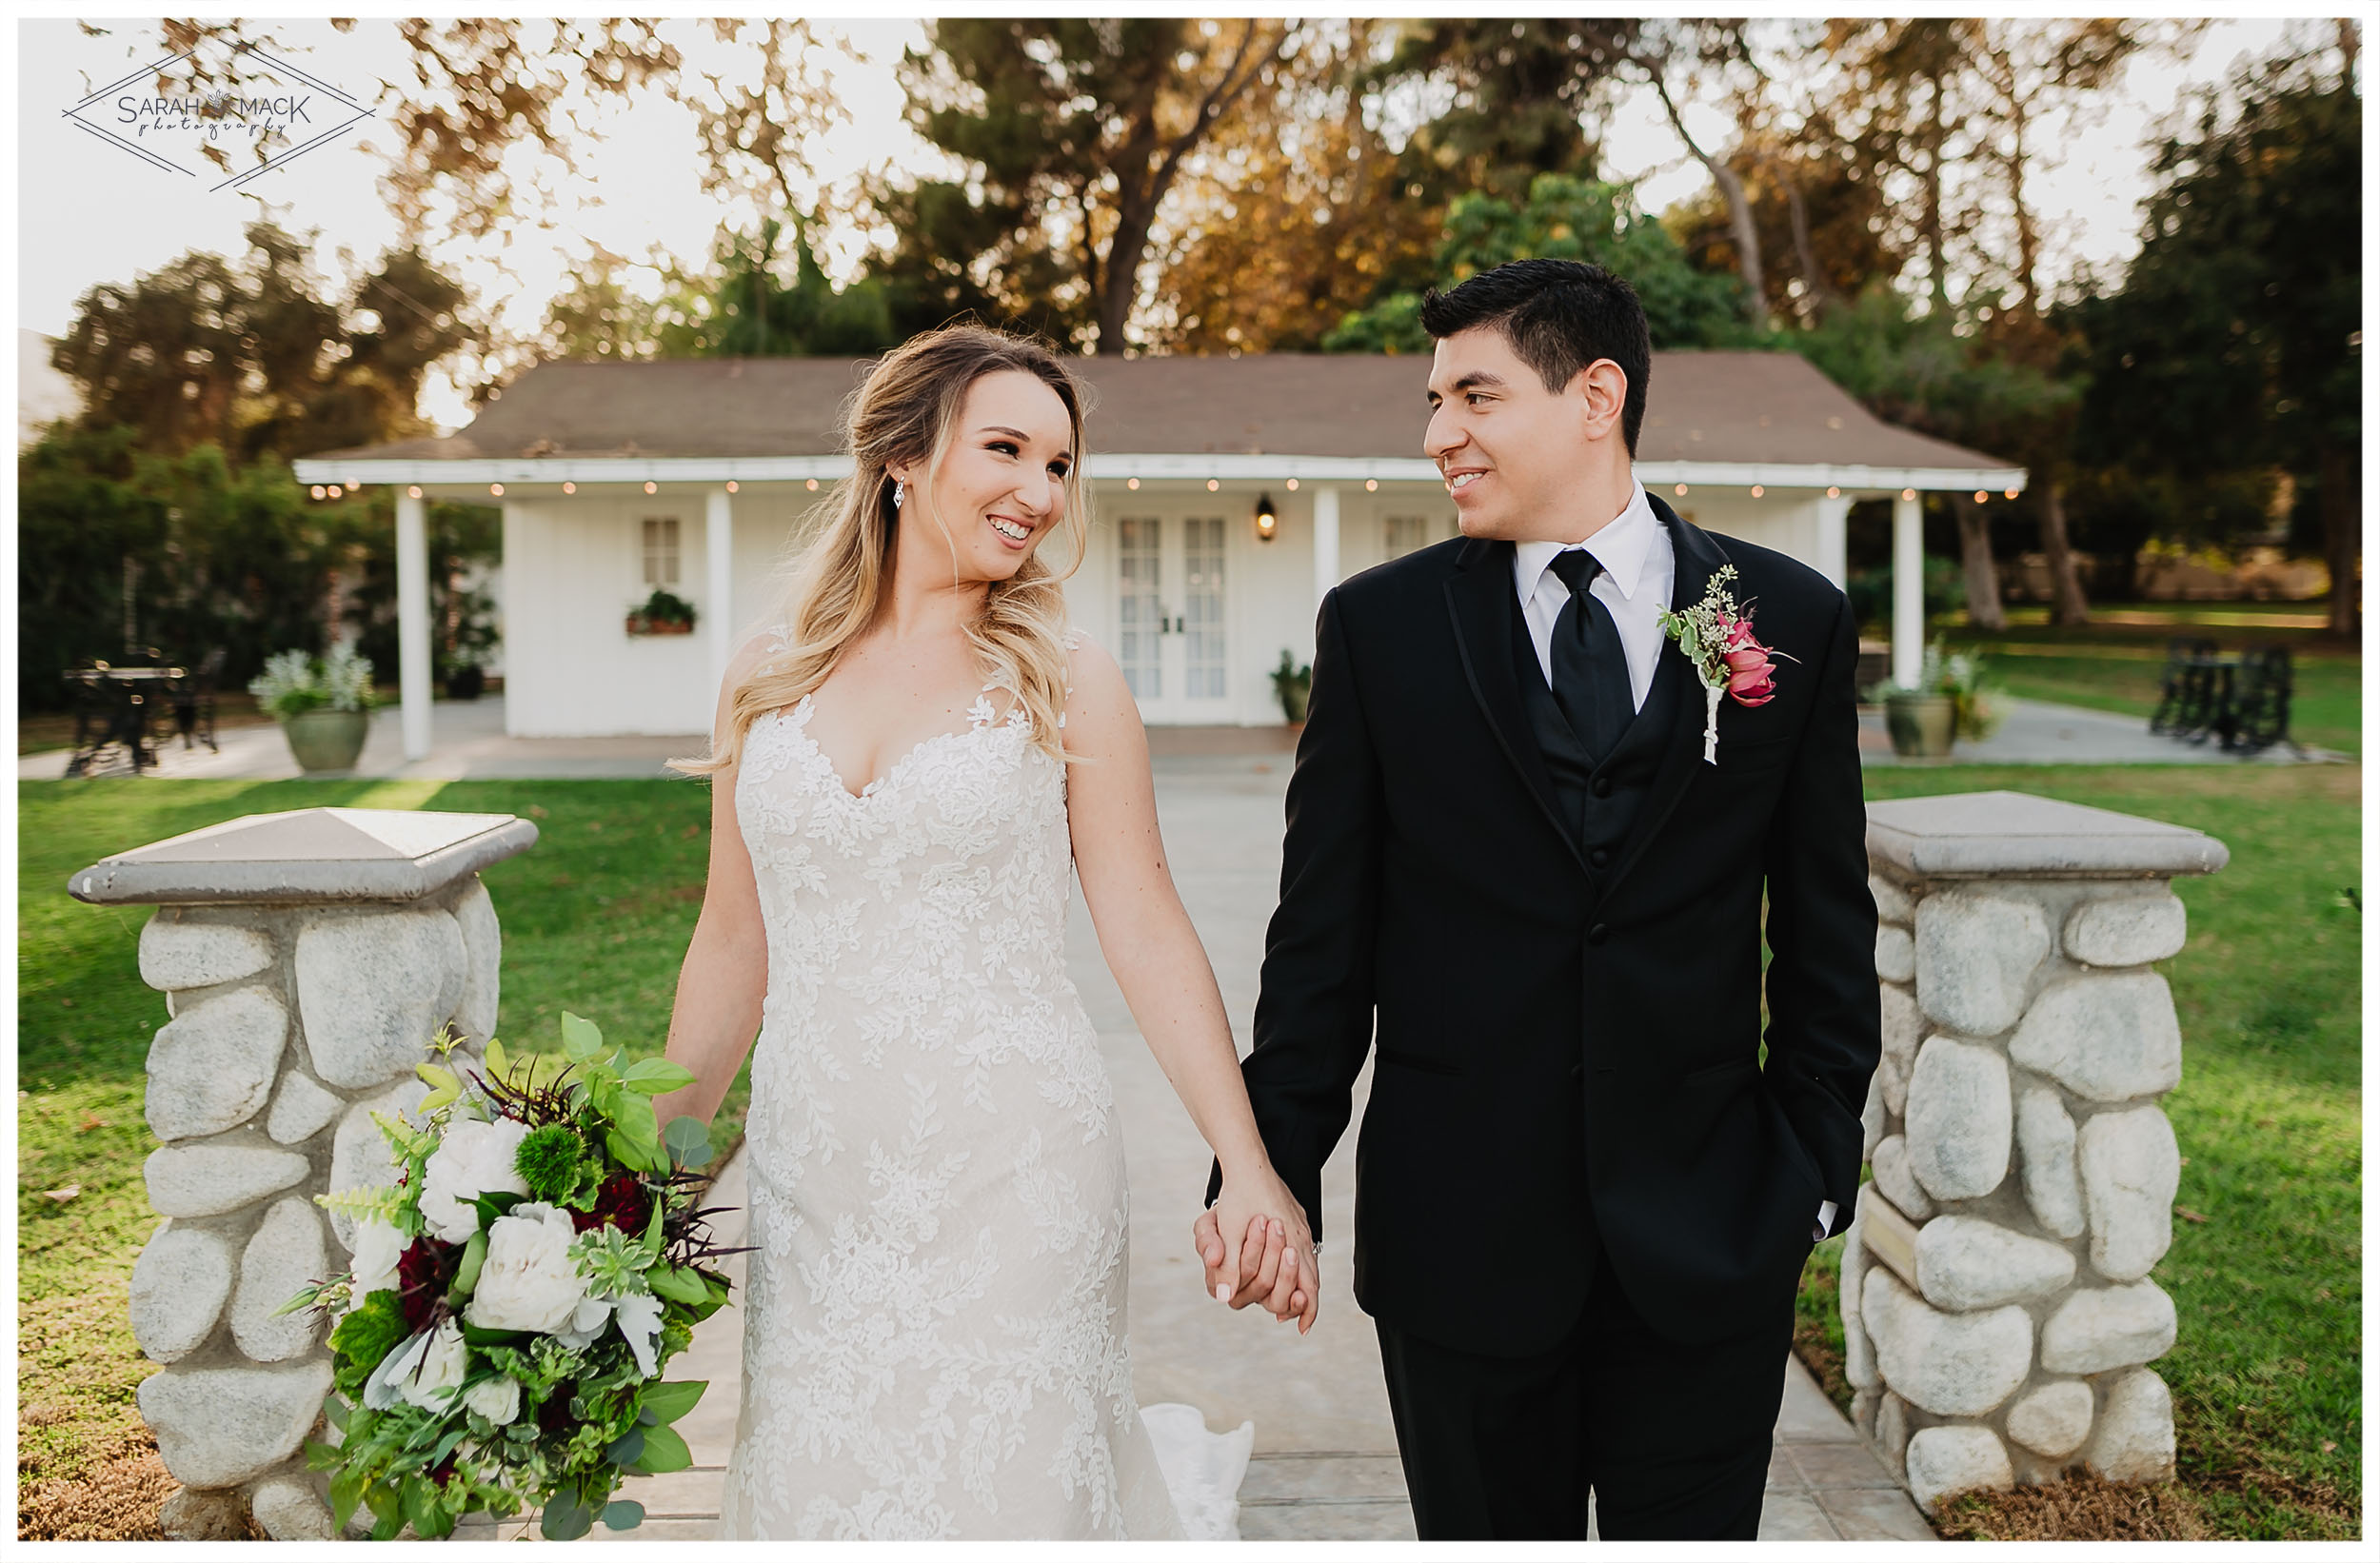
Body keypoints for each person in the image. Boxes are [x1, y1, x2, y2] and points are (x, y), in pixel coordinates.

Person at [1194, 258, 1880, 1539]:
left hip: (1712, 1234)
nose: (1438, 433)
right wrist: (1268, 1167)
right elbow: (1322, 946)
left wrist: (1810, 1168)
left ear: (1594, 396)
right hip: (1460, 1244)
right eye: (1435, 401)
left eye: (1474, 395)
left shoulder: (1784, 616)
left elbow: (1830, 929)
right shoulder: (1381, 629)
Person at [652, 324, 1313, 1540]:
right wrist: (645, 1170)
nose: (1039, 494)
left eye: (1059, 466)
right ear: (900, 456)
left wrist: (1250, 1163)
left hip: (1020, 1169)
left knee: (1009, 1489)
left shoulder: (1065, 677)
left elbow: (1145, 923)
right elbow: (732, 941)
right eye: (1006, 449)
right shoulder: (766, 674)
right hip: (814, 1179)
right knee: (821, 1488)